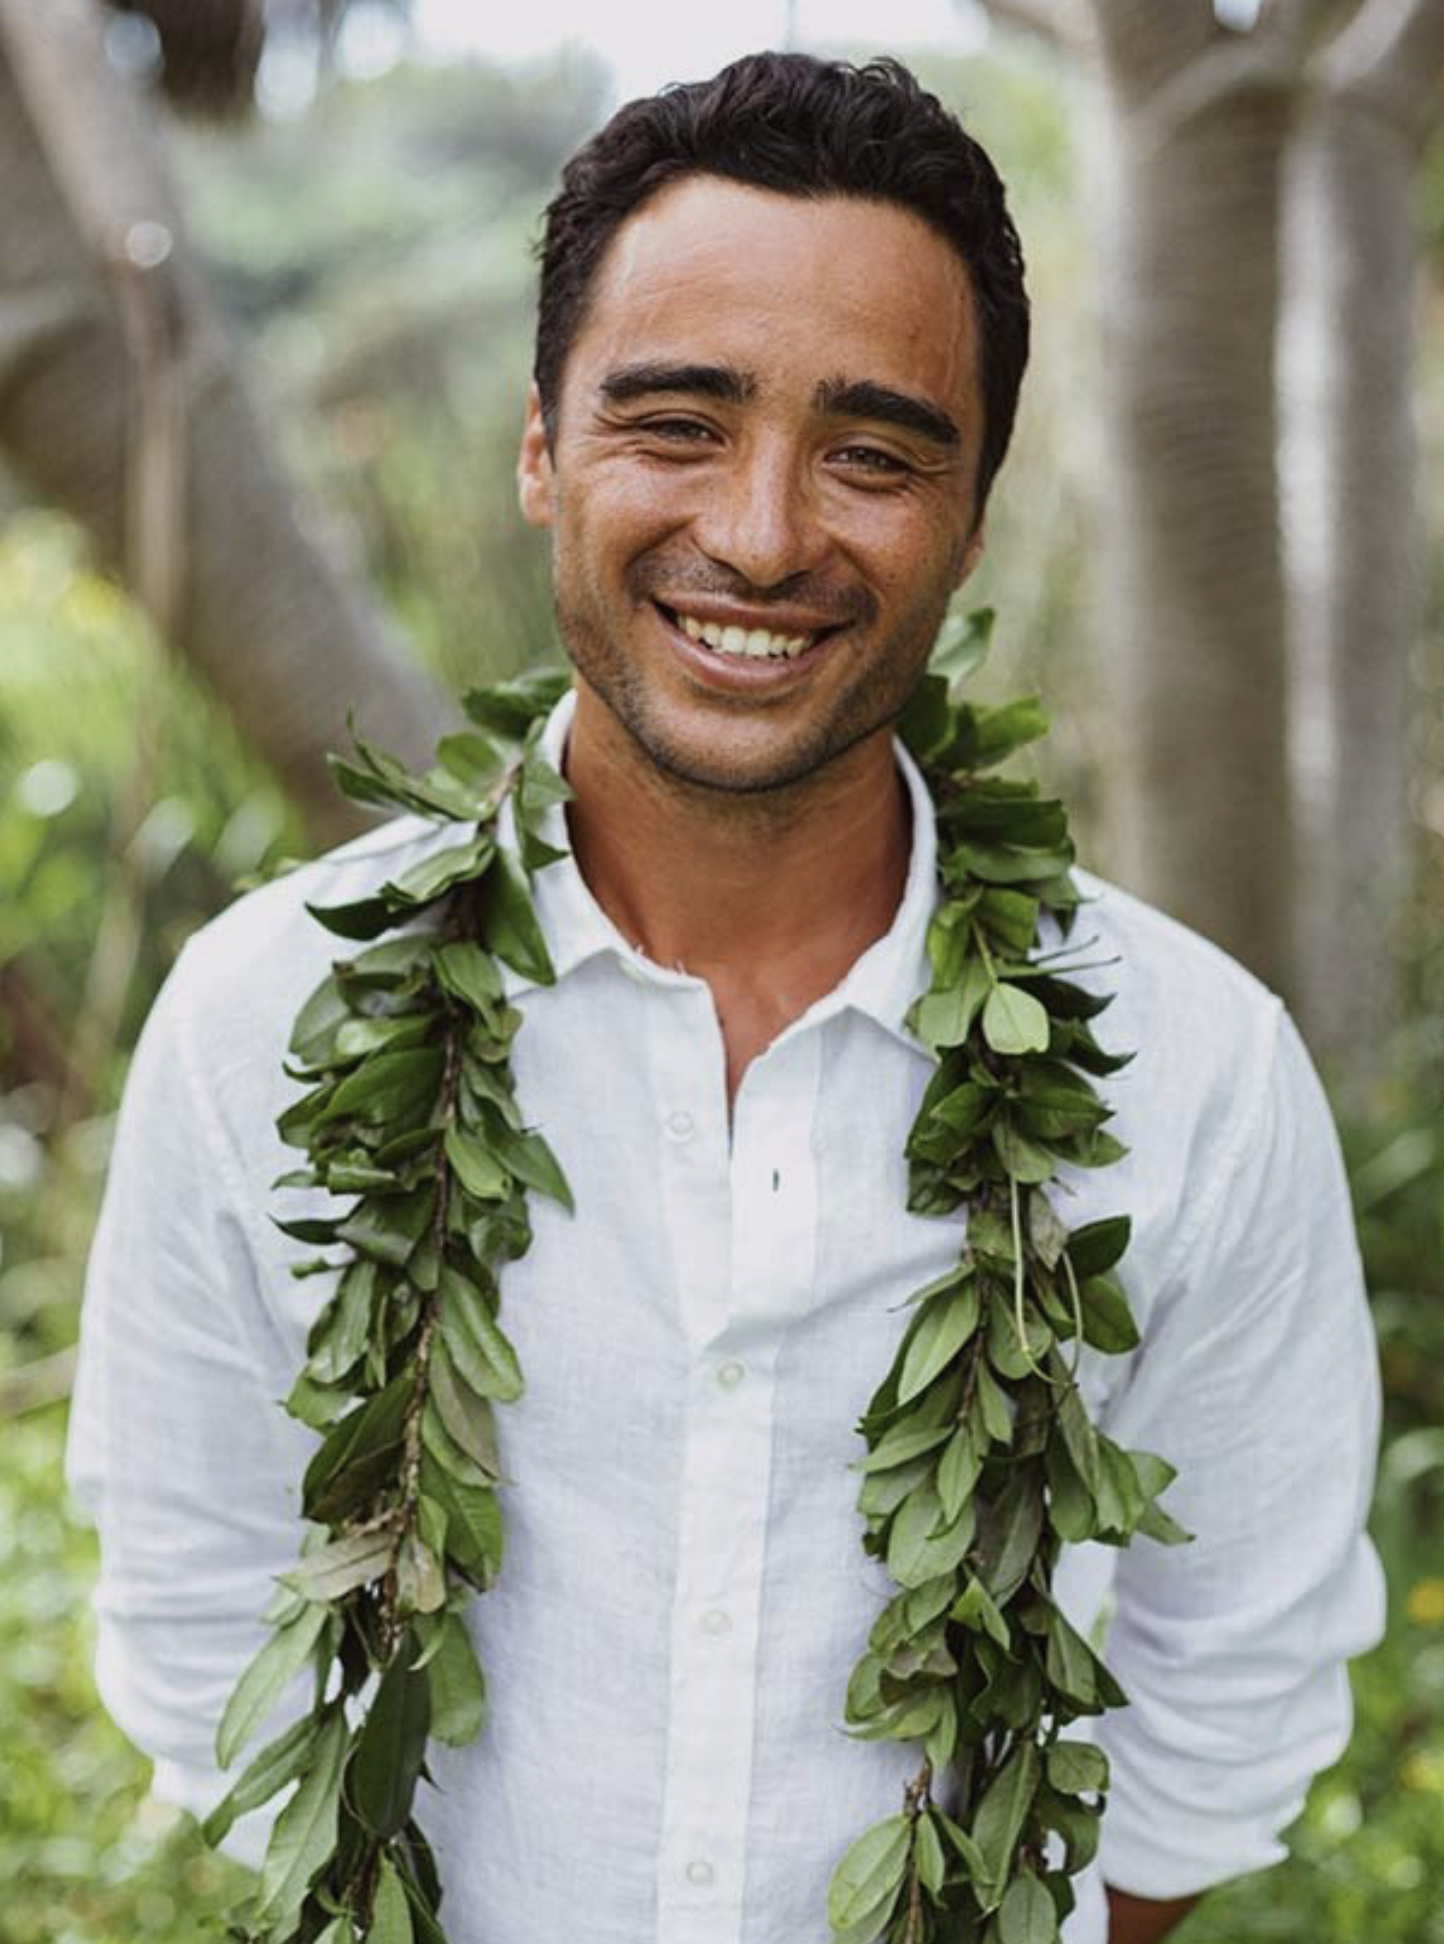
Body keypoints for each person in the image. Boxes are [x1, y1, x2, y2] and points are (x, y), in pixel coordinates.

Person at [66, 50, 1384, 1944]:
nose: (763, 535)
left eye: (874, 455)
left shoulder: (1195, 1072)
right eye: (677, 423)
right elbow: (199, 1617)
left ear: (974, 515)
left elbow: (1233, 1673)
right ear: (541, 448)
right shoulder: (264, 1019)